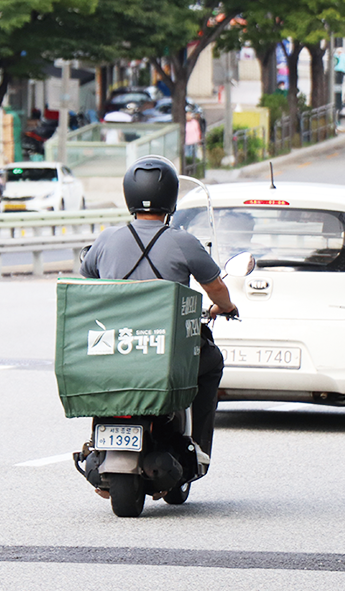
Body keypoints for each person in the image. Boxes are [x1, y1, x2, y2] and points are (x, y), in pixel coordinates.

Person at [79, 155, 238, 468]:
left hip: (115, 346)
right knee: (213, 361)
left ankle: (99, 444)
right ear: (171, 199)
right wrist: (226, 307)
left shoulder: (108, 238)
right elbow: (216, 288)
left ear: (129, 197)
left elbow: (87, 280)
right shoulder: (183, 241)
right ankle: (197, 446)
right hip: (163, 351)